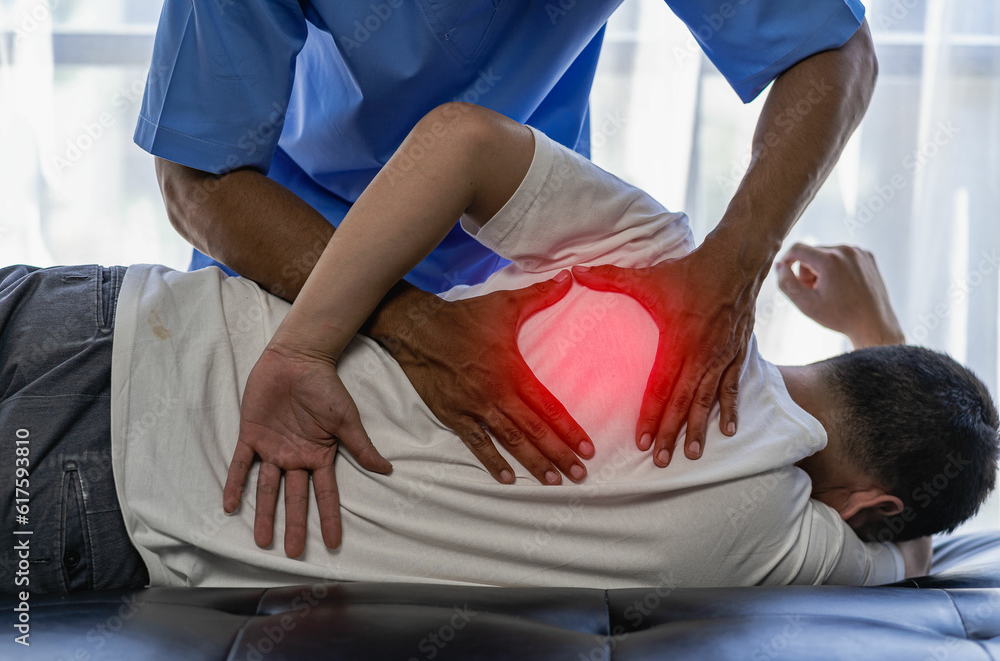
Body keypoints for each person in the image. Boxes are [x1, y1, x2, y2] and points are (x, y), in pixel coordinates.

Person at [3, 103, 995, 594]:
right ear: (866, 503)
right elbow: (909, 552)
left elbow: (460, 141)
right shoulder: (768, 545)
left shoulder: (664, 267)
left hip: (118, 325)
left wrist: (304, 350)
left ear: (847, 370)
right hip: (102, 509)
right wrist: (887, 349)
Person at [136, 0, 880, 494]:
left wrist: (733, 268)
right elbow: (198, 178)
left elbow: (835, 50)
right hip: (294, 251)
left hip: (523, 249)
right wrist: (407, 322)